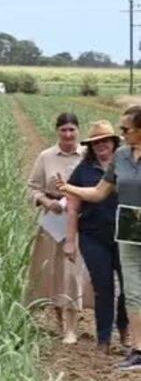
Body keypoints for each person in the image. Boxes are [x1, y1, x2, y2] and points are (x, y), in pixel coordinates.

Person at [56, 106, 141, 370]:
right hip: (127, 227)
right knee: (132, 290)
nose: (123, 134)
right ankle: (137, 349)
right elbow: (98, 192)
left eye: (125, 129)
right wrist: (67, 188)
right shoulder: (122, 156)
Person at [64, 120, 129, 354]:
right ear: (91, 146)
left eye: (105, 141)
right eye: (96, 142)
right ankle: (103, 339)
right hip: (94, 236)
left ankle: (124, 330)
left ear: (114, 142)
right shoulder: (83, 170)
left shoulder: (128, 165)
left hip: (127, 236)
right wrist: (70, 241)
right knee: (103, 288)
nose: (101, 145)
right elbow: (72, 207)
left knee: (129, 287)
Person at [28, 112, 87, 344]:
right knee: (53, 271)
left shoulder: (86, 155)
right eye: (63, 130)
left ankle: (72, 328)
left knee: (72, 272)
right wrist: (46, 202)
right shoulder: (46, 156)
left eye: (72, 129)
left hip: (80, 218)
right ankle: (60, 323)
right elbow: (32, 187)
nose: (68, 134)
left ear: (78, 131)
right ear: (57, 131)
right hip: (53, 219)